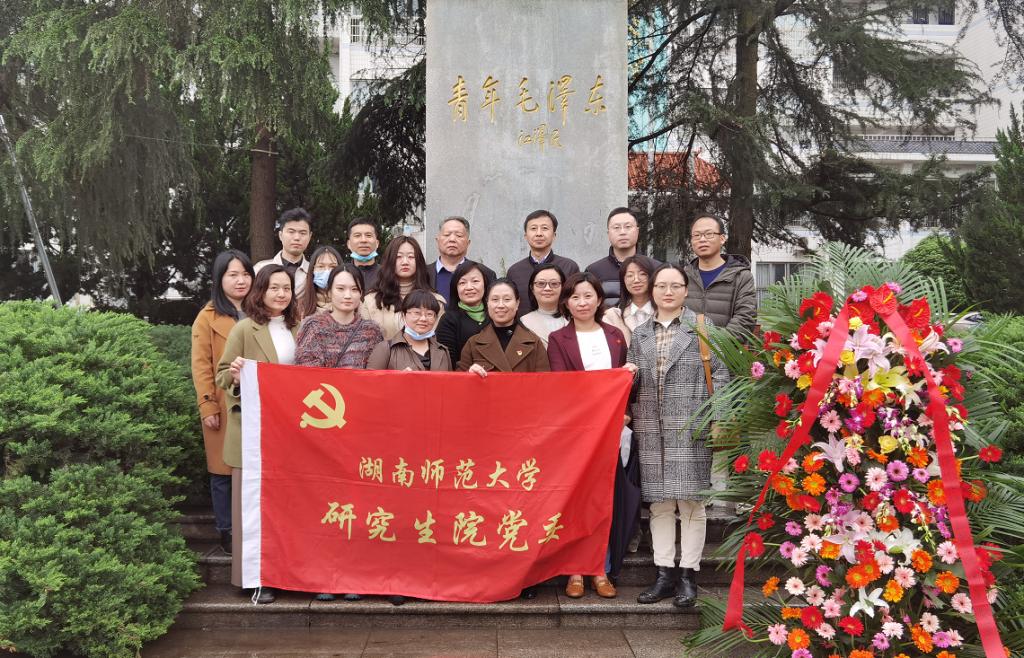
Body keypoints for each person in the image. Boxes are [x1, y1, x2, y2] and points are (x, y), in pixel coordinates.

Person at [627, 264, 729, 609]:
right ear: (652, 291)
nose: (667, 292)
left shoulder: (703, 328)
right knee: (659, 505)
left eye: (675, 286)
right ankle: (663, 574)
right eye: (661, 286)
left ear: (686, 291)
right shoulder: (640, 334)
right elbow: (633, 382)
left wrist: (719, 419)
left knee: (691, 504)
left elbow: (722, 375)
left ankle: (688, 574)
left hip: (691, 426)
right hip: (651, 429)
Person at [216, 264, 301, 605]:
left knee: (287, 510)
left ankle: (288, 573)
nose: (281, 294)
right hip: (253, 433)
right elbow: (222, 373)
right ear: (260, 291)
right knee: (253, 509)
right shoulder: (244, 328)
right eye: (274, 288)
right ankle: (255, 579)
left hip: (291, 434)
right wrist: (236, 376)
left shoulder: (299, 327)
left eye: (287, 288)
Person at [546, 272, 630, 600]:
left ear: (599, 299)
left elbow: (623, 381)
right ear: (566, 303)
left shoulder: (615, 336)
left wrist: (624, 408)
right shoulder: (558, 339)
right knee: (576, 499)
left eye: (588, 296)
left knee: (602, 499)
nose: (582, 302)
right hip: (576, 431)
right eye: (575, 297)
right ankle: (575, 570)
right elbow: (561, 385)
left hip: (610, 429)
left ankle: (600, 569)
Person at [190, 250, 254, 556]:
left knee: (253, 469)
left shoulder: (260, 311)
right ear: (219, 279)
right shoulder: (207, 317)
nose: (241, 281)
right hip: (223, 401)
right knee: (222, 472)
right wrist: (207, 405)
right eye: (233, 275)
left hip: (257, 403)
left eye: (245, 274)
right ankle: (226, 531)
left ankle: (252, 528)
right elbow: (201, 365)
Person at [682, 214, 757, 338]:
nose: (702, 239)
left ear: (722, 239)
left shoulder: (741, 276)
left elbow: (745, 319)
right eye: (697, 235)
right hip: (685, 349)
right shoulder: (683, 276)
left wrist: (712, 344)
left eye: (709, 234)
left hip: (725, 348)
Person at [295, 264, 383, 370]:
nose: (347, 296)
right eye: (340, 289)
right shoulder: (313, 327)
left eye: (354, 289)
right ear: (329, 292)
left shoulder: (372, 331)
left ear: (361, 293)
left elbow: (376, 373)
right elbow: (306, 372)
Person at [458, 278, 550, 375]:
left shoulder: (534, 343)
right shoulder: (473, 344)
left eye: (507, 299)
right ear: (487, 303)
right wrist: (469, 374)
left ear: (517, 303)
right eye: (495, 300)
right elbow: (458, 380)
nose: (500, 305)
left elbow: (544, 381)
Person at [362, 236, 445, 340]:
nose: (405, 262)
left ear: (419, 261)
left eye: (411, 257)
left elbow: (436, 342)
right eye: (398, 257)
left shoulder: (435, 301)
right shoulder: (371, 301)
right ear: (390, 261)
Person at [506, 210, 580, 315]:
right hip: (523, 325)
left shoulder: (569, 267)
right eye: (533, 228)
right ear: (526, 236)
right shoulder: (514, 271)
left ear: (554, 235)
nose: (539, 234)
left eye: (544, 228)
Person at [368, 290, 452, 372]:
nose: (423, 319)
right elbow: (370, 380)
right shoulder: (385, 349)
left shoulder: (443, 351)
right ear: (403, 315)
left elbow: (450, 380)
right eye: (417, 313)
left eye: (429, 314)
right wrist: (398, 379)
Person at [585, 207, 652, 307]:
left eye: (628, 227)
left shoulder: (655, 268)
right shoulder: (593, 271)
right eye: (616, 228)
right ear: (608, 233)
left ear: (637, 231)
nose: (622, 232)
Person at [427, 216, 496, 305]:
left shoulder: (486, 273)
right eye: (447, 235)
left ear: (468, 243)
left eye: (459, 235)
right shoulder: (422, 274)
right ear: (437, 241)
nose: (452, 239)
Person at [436, 261, 489, 361]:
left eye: (475, 281)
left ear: (485, 284)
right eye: (462, 283)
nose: (469, 287)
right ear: (455, 288)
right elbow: (447, 360)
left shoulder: (496, 315)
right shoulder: (448, 320)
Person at [255, 208, 313, 296]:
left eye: (302, 233)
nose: (297, 238)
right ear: (280, 235)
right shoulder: (260, 269)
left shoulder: (314, 272)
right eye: (291, 232)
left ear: (310, 237)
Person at [602, 255, 657, 345]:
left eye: (642, 274)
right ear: (623, 280)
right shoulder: (612, 316)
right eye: (630, 275)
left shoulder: (664, 312)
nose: (636, 280)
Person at [519, 263, 568, 348]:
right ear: (532, 288)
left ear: (563, 287)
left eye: (554, 283)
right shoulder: (523, 322)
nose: (547, 288)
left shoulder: (574, 319)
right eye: (541, 284)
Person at [298, 245, 342, 318]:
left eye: (333, 267)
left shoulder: (351, 301)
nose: (327, 271)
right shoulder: (301, 306)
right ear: (313, 270)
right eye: (321, 266)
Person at [346, 218, 381, 292]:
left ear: (377, 243)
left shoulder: (387, 274)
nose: (363, 240)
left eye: (368, 235)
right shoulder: (342, 274)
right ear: (349, 244)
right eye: (357, 235)